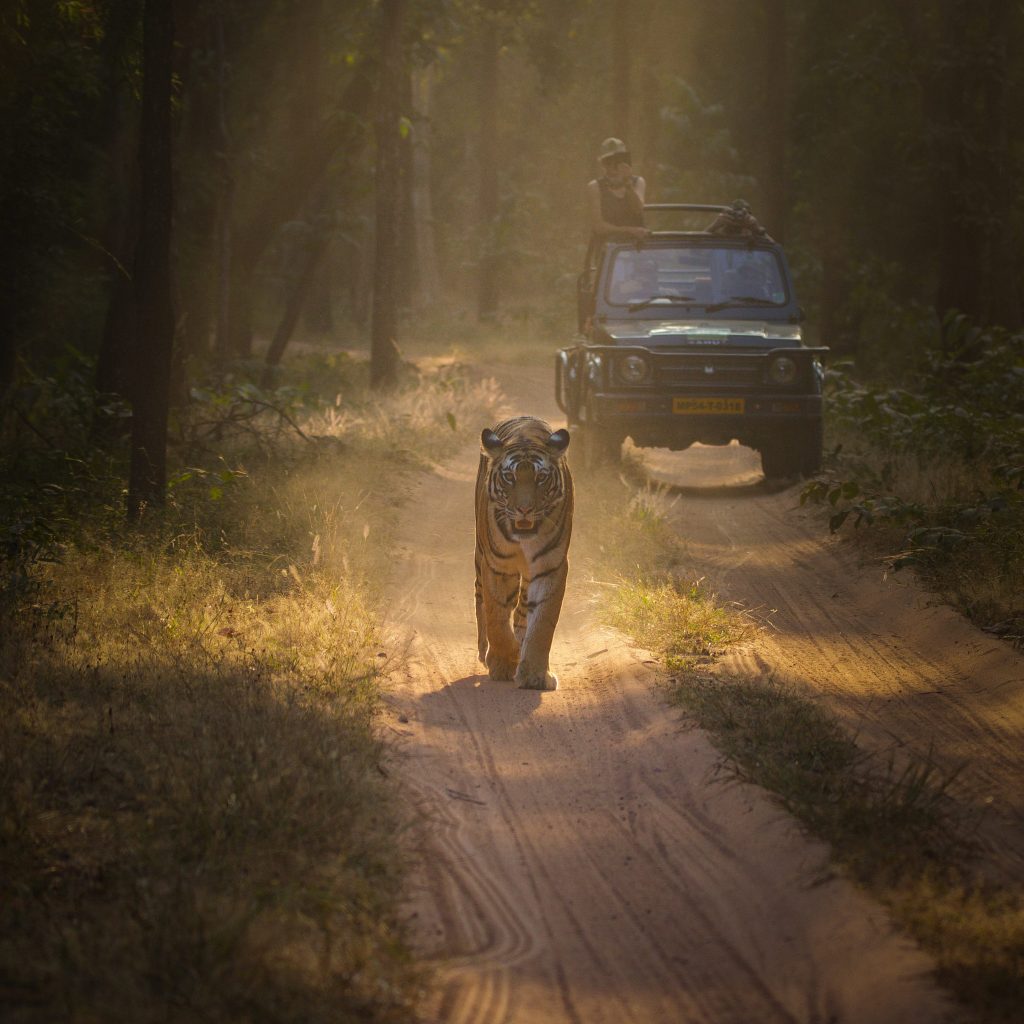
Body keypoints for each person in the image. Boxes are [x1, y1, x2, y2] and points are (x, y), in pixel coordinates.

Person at [586, 137, 649, 243]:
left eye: (618, 161)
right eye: (608, 162)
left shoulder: (638, 182)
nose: (612, 166)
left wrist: (627, 184)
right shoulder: (595, 187)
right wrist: (629, 230)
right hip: (609, 248)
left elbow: (638, 209)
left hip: (638, 247)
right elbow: (598, 226)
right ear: (603, 164)